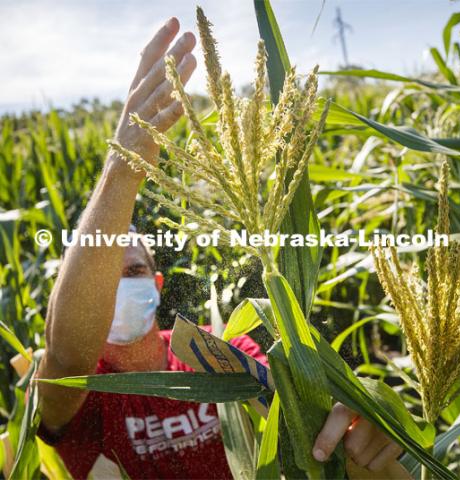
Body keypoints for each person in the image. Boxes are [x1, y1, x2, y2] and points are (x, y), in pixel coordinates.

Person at [37, 16, 404, 479]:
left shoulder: (215, 353)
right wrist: (122, 168)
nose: (112, 287)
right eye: (99, 275)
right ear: (73, 291)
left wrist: (362, 419)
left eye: (129, 271)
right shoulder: (84, 391)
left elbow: (314, 423)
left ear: (157, 283)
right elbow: (67, 355)